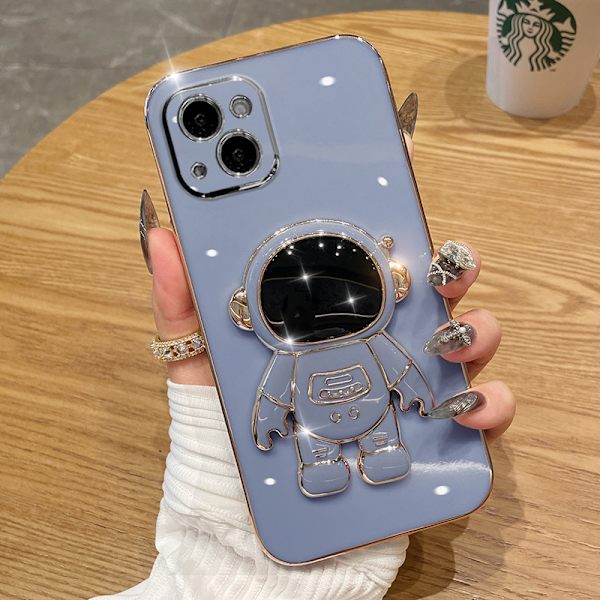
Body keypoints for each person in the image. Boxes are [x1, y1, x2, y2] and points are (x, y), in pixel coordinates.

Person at [92, 101, 515, 600]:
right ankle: (330, 463)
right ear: (248, 312)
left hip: (361, 416)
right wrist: (260, 430)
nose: (323, 306)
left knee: (375, 438)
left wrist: (424, 394)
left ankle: (374, 452)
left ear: (393, 283)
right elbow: (285, 396)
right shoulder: (312, 353)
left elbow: (400, 372)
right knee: (323, 452)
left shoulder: (342, 347)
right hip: (324, 427)